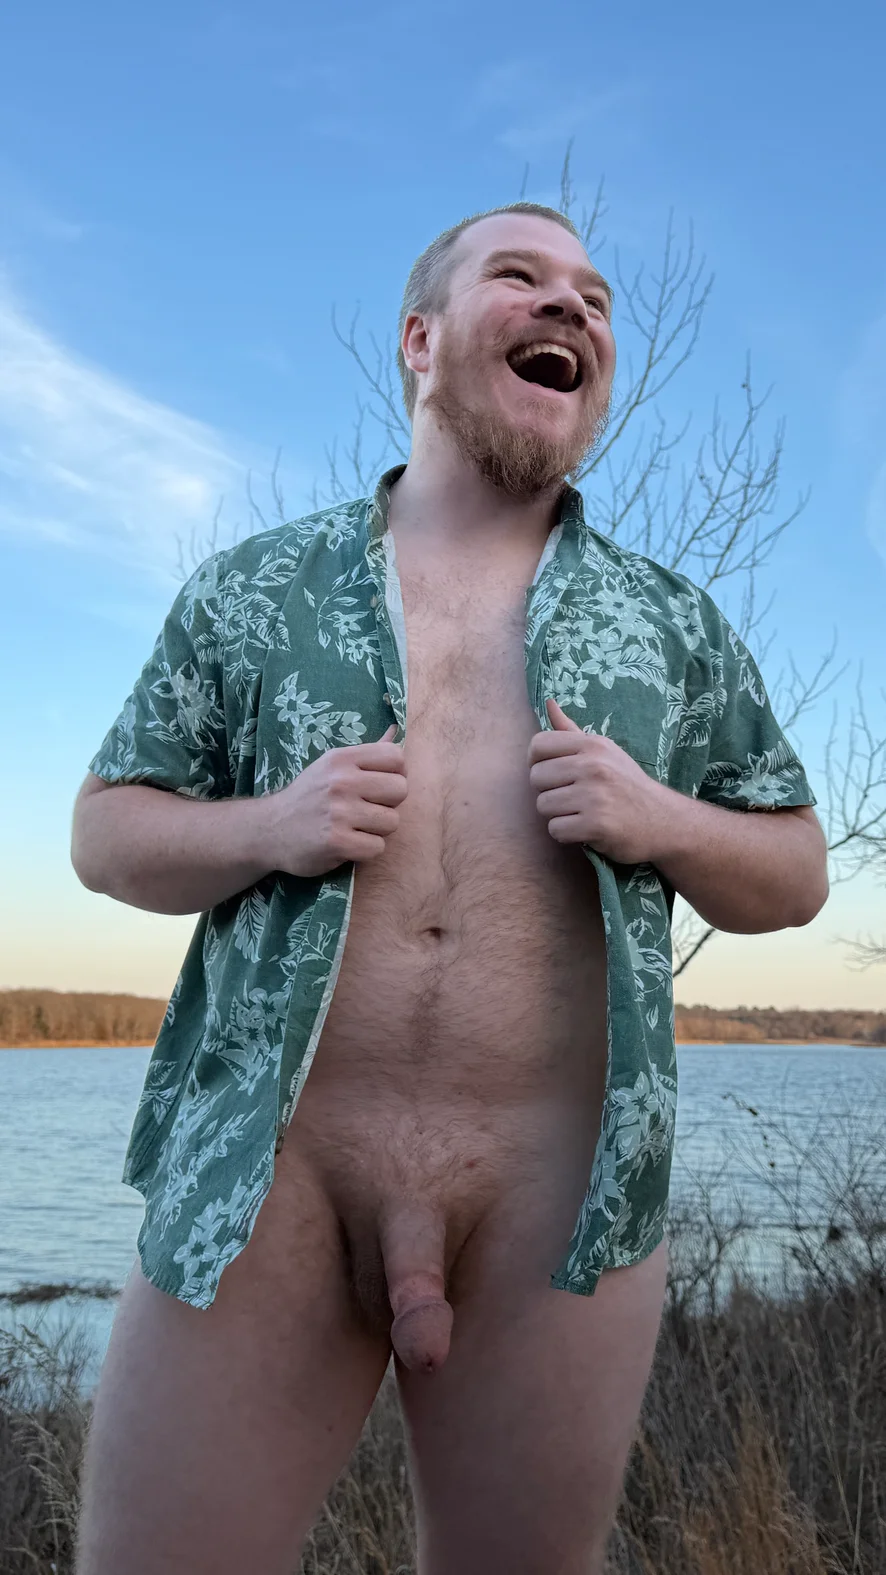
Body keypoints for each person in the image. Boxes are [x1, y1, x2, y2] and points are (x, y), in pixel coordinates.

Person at [70, 202, 828, 1575]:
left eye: (594, 296)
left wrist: (657, 817)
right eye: (520, 276)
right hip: (272, 1180)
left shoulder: (671, 625)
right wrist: (274, 824)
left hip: (557, 1201)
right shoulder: (255, 591)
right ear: (420, 341)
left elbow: (795, 872)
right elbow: (104, 834)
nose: (571, 306)